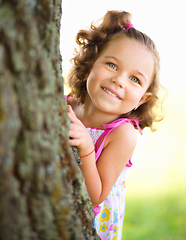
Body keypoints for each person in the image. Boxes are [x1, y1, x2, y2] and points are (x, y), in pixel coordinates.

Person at [66, 10, 161, 240]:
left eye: (135, 79)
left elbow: (95, 195)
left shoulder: (122, 134)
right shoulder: (67, 105)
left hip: (90, 227)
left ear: (142, 99)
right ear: (91, 63)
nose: (119, 80)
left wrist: (87, 148)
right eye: (111, 65)